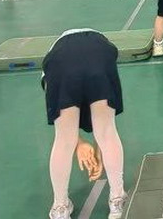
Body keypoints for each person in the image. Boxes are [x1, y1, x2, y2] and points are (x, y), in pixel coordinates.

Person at [41, 29, 128, 219]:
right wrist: (92, 145)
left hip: (60, 63)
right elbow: (102, 128)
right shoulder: (95, 43)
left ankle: (60, 207)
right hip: (100, 53)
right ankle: (117, 198)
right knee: (107, 132)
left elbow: (60, 113)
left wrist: (77, 143)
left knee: (63, 140)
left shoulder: (53, 58)